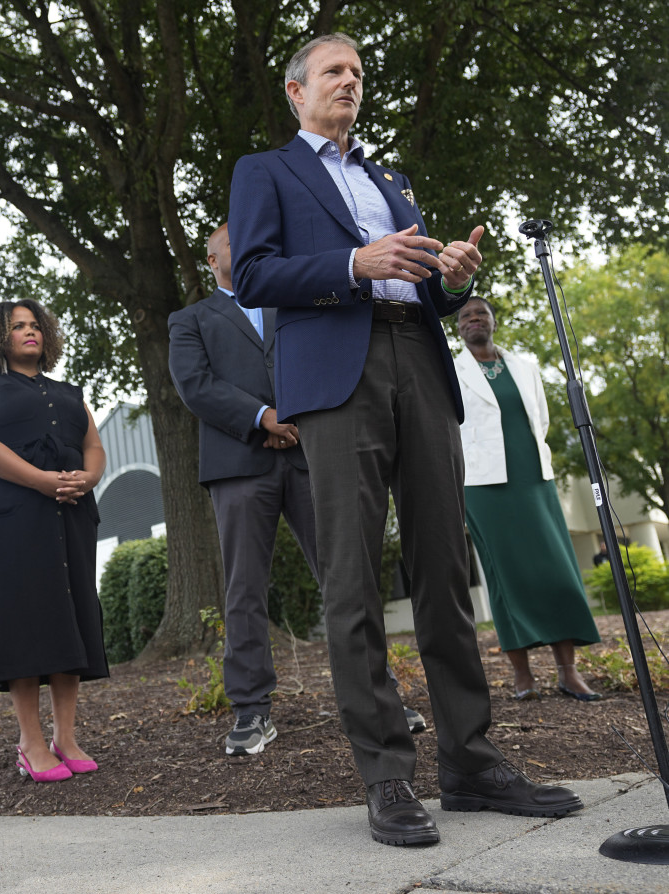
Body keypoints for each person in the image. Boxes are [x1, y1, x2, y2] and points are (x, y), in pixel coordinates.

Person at [228, 33, 582, 846]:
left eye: (358, 73)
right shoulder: (265, 171)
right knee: (352, 576)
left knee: (445, 569)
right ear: (295, 91)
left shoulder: (392, 179)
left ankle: (470, 761)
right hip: (336, 373)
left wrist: (453, 276)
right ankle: (387, 774)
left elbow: (423, 276)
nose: (349, 81)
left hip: (420, 361)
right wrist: (355, 262)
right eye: (333, 71)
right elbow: (253, 274)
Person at [169, 224, 427, 758]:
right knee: (244, 590)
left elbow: (329, 361)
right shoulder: (189, 320)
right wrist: (263, 416)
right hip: (240, 464)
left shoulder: (297, 303)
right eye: (233, 241)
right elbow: (196, 386)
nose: (246, 244)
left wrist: (303, 418)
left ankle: (380, 697)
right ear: (212, 257)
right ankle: (251, 711)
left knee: (347, 578)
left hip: (315, 457)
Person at [0, 299, 109, 782]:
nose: (29, 332)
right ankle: (30, 742)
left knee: (72, 615)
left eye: (35, 325)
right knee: (25, 619)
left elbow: (94, 445)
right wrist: (43, 481)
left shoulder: (69, 391)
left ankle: (65, 736)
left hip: (72, 511)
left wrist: (87, 479)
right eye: (17, 326)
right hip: (17, 515)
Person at [455, 297, 601, 701]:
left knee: (556, 569)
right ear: (458, 328)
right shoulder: (451, 370)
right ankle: (523, 676)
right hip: (484, 486)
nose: (474, 320)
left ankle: (568, 672)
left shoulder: (526, 366)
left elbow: (543, 419)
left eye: (481, 313)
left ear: (493, 322)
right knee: (506, 577)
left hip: (534, 478)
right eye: (466, 316)